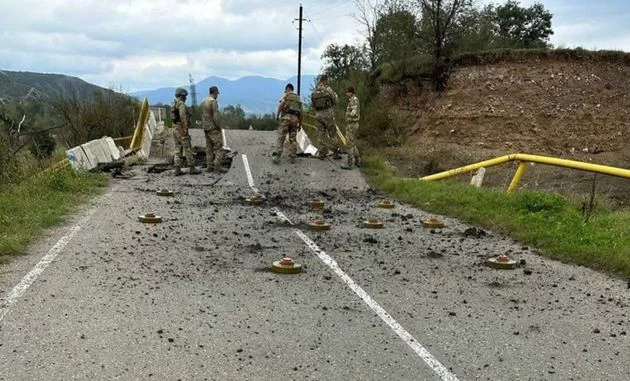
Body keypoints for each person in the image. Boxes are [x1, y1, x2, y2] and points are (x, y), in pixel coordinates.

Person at [171, 87, 201, 176]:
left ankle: (177, 169)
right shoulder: (181, 105)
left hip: (174, 128)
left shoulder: (173, 104)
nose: (186, 98)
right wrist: (185, 128)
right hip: (181, 129)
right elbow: (183, 116)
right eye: (185, 96)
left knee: (177, 149)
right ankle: (192, 168)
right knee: (188, 148)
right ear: (182, 96)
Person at [310, 74, 339, 160]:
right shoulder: (328, 89)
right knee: (332, 134)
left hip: (319, 115)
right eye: (328, 80)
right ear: (325, 80)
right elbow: (335, 101)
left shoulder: (315, 91)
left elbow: (313, 105)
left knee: (320, 134)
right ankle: (335, 153)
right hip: (328, 114)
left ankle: (322, 154)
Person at [273, 83, 303, 164]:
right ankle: (293, 155)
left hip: (286, 118)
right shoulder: (298, 98)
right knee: (293, 138)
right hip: (295, 119)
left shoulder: (286, 95)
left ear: (287, 89)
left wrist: (277, 115)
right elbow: (301, 112)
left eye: (286, 90)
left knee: (281, 136)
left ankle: (278, 156)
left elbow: (281, 105)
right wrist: (300, 124)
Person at [200, 86, 226, 173]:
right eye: (217, 93)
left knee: (209, 148)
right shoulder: (213, 102)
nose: (217, 95)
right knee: (219, 147)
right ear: (215, 92)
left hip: (206, 127)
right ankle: (217, 167)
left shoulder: (204, 101)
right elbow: (215, 116)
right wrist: (218, 126)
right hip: (213, 128)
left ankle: (209, 166)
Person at [341, 86, 360, 170]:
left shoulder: (354, 100)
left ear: (351, 92)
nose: (346, 94)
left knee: (349, 144)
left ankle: (349, 164)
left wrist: (348, 116)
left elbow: (354, 112)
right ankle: (357, 161)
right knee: (352, 143)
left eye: (347, 92)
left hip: (352, 124)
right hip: (353, 124)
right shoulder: (352, 100)